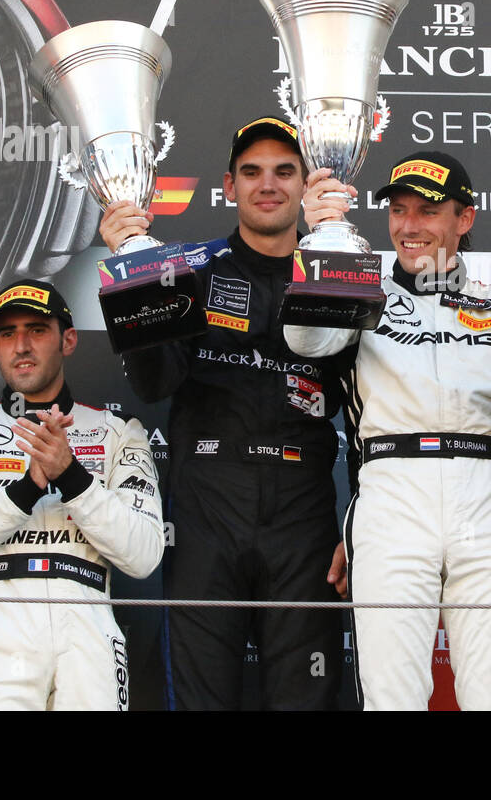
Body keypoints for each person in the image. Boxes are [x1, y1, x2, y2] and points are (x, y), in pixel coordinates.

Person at [286, 151, 491, 710]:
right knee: (393, 696)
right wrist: (317, 244)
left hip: (484, 495)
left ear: (464, 220)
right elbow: (306, 342)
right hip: (393, 496)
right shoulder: (361, 292)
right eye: (398, 211)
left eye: (427, 211)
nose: (409, 226)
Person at [99, 115, 350, 711]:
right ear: (229, 186)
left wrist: (358, 523)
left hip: (304, 515)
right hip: (207, 506)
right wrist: (133, 275)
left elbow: (370, 408)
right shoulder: (187, 270)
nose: (269, 184)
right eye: (252, 172)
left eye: (284, 171)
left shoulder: (336, 274)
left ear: (305, 184)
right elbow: (153, 383)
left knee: (307, 699)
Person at [0, 279, 163, 710]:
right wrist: (26, 489)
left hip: (88, 613)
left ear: (68, 340)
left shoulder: (119, 432)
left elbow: (143, 555)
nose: (21, 345)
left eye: (36, 329)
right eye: (7, 334)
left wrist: (71, 476)